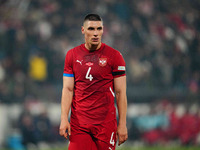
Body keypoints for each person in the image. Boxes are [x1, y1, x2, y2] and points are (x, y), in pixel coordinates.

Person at [59, 13, 128, 150]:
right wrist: (63, 119)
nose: (96, 33)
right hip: (79, 124)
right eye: (91, 29)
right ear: (83, 30)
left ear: (103, 30)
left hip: (105, 124)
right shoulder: (72, 55)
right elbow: (68, 89)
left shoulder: (114, 56)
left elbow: (120, 92)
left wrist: (122, 124)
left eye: (99, 29)